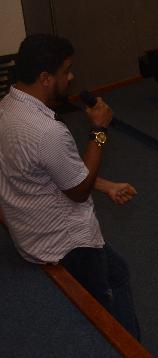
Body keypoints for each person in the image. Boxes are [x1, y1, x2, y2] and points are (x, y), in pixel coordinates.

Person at [0, 35, 141, 339]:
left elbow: (45, 170)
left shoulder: (6, 108)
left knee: (118, 273)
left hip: (30, 232)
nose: (72, 77)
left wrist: (106, 186)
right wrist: (99, 131)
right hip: (66, 245)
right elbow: (77, 191)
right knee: (102, 307)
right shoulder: (47, 131)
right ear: (45, 78)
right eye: (66, 71)